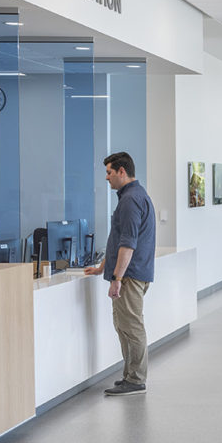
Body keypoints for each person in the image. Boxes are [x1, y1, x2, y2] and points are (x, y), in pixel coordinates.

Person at [84, 151, 156, 396]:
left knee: (132, 327)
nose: (106, 178)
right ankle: (130, 376)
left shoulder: (130, 200)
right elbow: (117, 241)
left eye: (109, 172)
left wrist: (116, 278)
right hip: (130, 274)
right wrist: (102, 268)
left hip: (130, 276)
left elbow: (128, 244)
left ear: (121, 172)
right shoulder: (133, 196)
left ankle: (136, 379)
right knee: (124, 326)